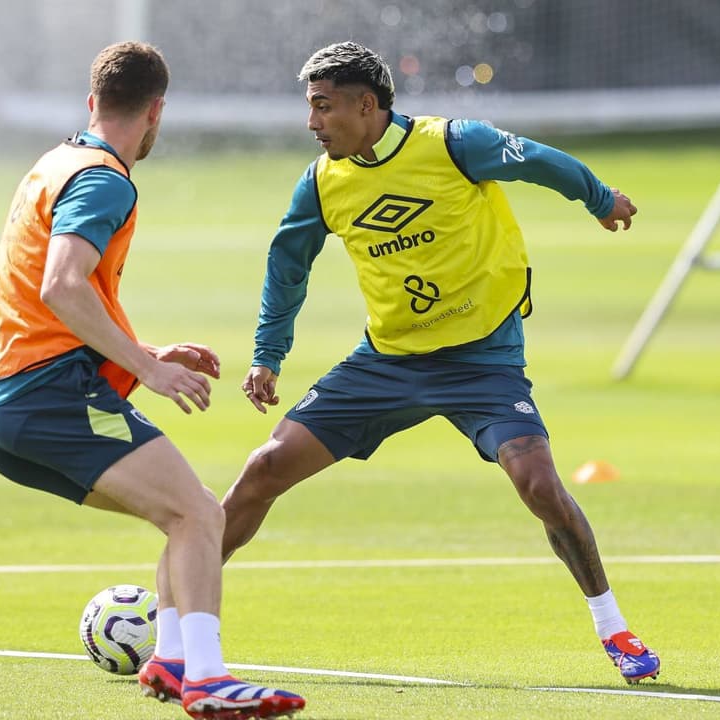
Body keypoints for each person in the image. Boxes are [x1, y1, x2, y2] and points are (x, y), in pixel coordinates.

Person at [221, 41, 660, 684]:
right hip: (386, 362)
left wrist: (598, 198)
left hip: (483, 361)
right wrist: (267, 355)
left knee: (540, 486)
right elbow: (287, 266)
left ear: (365, 105)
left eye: (323, 106)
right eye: (310, 107)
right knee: (263, 469)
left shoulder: (454, 144)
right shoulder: (321, 182)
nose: (312, 122)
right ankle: (175, 621)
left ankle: (613, 627)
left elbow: (538, 161)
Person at [0, 41, 305, 719]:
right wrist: (147, 368)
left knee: (192, 512)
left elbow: (41, 303)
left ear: (92, 101)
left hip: (12, 402)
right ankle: (208, 681)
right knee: (197, 515)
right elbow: (61, 285)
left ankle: (172, 662)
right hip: (51, 396)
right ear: (157, 111)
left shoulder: (53, 164)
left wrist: (145, 350)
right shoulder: (104, 179)